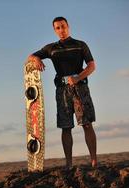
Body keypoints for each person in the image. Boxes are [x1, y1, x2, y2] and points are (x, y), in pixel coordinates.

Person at [27, 16, 97, 168]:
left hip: (80, 88)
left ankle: (94, 161)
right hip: (61, 91)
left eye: (63, 26)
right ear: (54, 30)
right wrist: (36, 59)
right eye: (58, 28)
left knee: (86, 124)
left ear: (68, 26)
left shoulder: (80, 45)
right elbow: (31, 56)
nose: (61, 30)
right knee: (66, 127)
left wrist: (78, 77)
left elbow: (92, 66)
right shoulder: (51, 48)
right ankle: (69, 164)